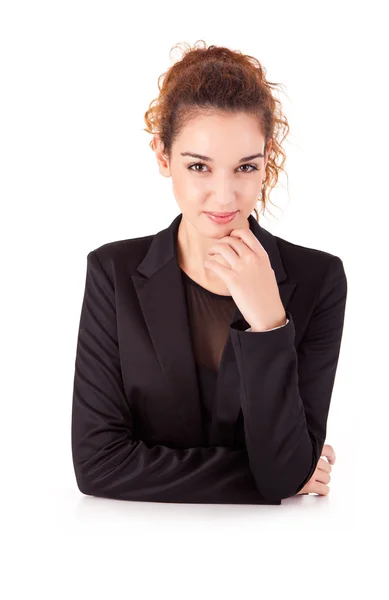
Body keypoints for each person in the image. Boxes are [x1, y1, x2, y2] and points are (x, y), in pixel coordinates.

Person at [71, 41, 347, 505]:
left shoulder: (319, 279)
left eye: (245, 167)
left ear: (267, 160)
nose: (224, 197)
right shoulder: (112, 272)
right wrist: (274, 476)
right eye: (199, 166)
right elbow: (98, 465)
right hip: (127, 543)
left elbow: (286, 467)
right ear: (163, 156)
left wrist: (269, 325)